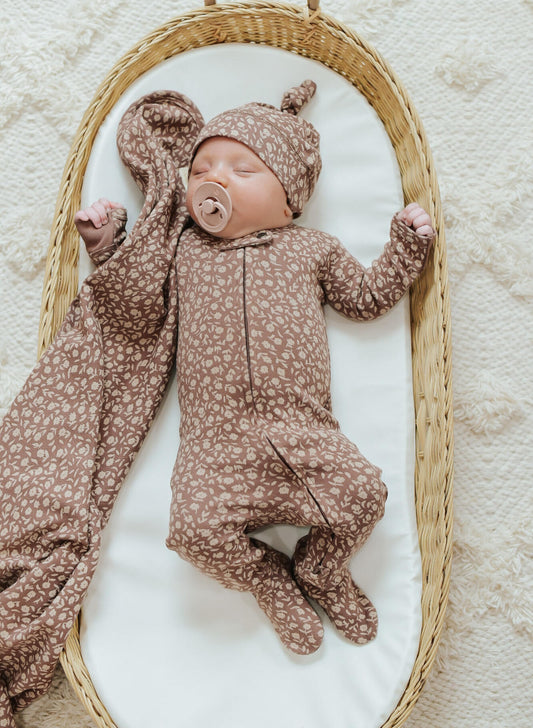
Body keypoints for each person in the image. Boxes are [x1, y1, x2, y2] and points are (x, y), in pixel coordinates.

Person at [75, 80, 434, 656]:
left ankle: (320, 566)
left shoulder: (312, 248)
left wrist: (404, 248)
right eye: (203, 167)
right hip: (216, 448)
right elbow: (137, 301)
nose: (214, 179)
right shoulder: (182, 250)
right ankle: (267, 577)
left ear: (289, 195)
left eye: (242, 169)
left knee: (364, 494)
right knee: (193, 532)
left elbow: (366, 299)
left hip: (304, 433)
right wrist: (108, 244)